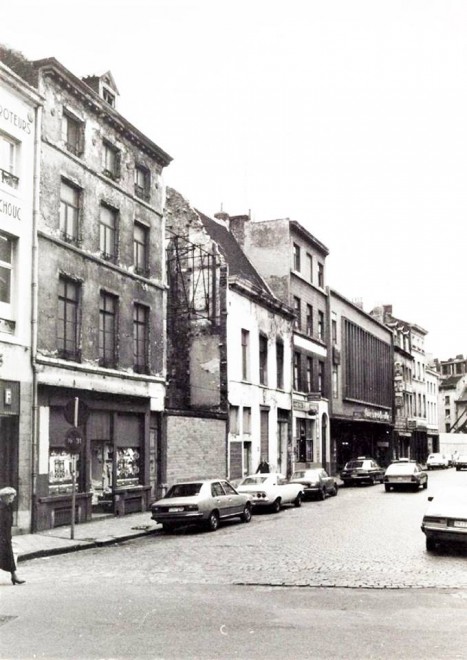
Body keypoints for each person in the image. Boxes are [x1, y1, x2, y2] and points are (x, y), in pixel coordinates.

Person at [0, 487, 25, 585]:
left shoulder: (7, 506)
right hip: (1, 536)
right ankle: (14, 576)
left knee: (9, 556)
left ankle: (14, 576)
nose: (12, 499)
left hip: (5, 536)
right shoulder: (1, 507)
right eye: (11, 497)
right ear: (5, 497)